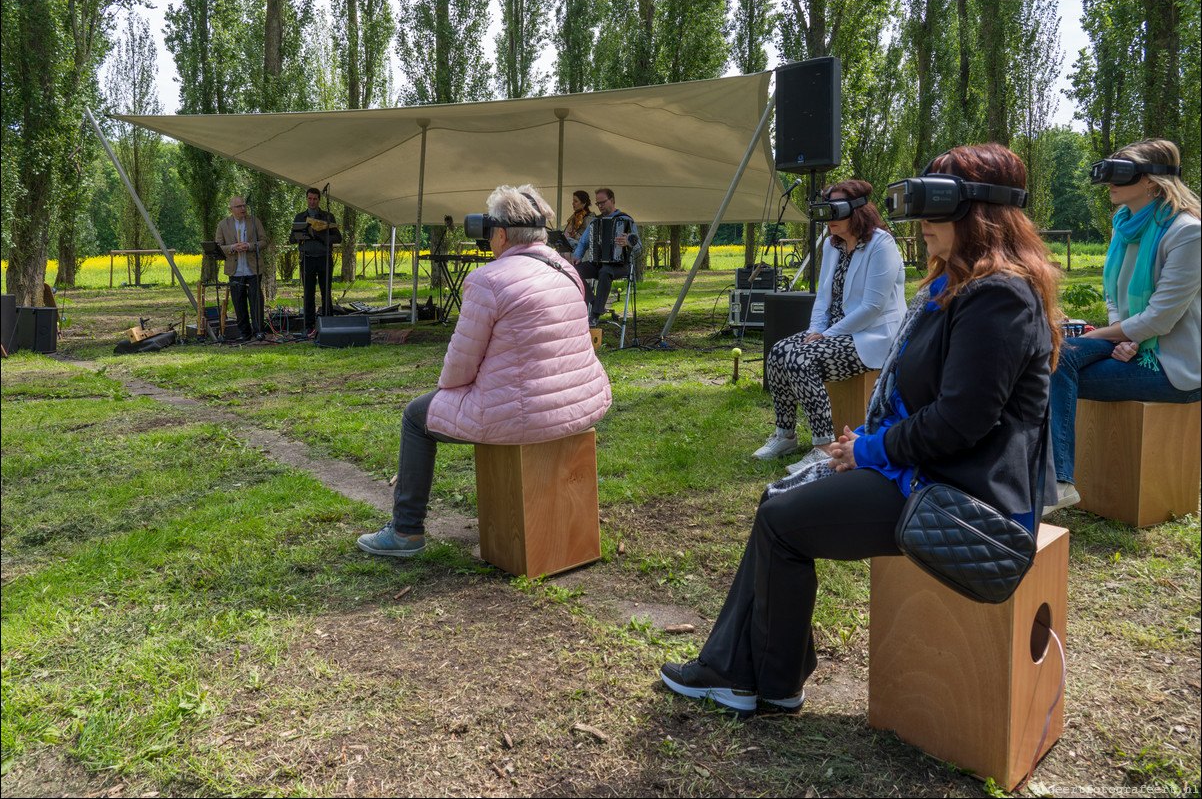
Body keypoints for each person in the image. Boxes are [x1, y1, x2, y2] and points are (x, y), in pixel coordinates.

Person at [659, 143, 1060, 717]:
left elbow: (961, 421)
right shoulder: (959, 286)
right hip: (928, 469)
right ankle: (753, 675)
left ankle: (756, 679)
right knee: (778, 498)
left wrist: (870, 449)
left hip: (958, 492)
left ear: (981, 213)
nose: (921, 220)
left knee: (780, 521)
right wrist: (868, 446)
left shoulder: (997, 294)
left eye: (936, 204)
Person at [357, 184, 612, 557]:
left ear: (502, 233)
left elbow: (459, 365)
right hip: (580, 403)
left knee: (416, 416)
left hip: (524, 416)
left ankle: (405, 531)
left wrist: (446, 393)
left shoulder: (487, 280)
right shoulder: (567, 270)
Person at [1044, 138, 1201, 515]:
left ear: (1151, 181)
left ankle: (1055, 482)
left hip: (1172, 365)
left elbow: (1160, 318)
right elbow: (1114, 294)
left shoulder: (1187, 233)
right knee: (1045, 355)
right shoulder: (1124, 225)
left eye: (1121, 173)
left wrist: (1104, 336)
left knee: (1051, 366)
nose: (1109, 183)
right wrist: (1122, 334)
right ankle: (1052, 480)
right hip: (1133, 342)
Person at [753, 180, 906, 470]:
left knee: (801, 359)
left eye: (835, 212)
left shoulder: (881, 245)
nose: (829, 221)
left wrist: (825, 335)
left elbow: (872, 308)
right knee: (777, 352)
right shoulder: (832, 244)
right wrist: (815, 330)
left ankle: (823, 447)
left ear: (857, 211)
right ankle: (785, 435)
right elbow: (824, 297)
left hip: (874, 335)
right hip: (835, 332)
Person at [571, 188, 642, 325]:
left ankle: (595, 315)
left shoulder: (626, 220)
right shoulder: (595, 221)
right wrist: (577, 256)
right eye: (598, 204)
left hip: (620, 266)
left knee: (606, 271)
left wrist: (629, 242)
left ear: (612, 200)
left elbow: (639, 247)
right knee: (572, 270)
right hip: (598, 264)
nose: (600, 206)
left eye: (602, 202)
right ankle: (593, 301)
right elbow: (583, 243)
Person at [215, 195, 268, 343]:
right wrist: (232, 247)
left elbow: (264, 241)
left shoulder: (254, 221)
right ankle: (245, 332)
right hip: (235, 270)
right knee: (239, 302)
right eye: (239, 207)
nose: (243, 209)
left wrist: (250, 246)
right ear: (231, 209)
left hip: (253, 269)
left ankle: (259, 331)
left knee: (256, 301)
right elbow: (218, 246)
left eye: (244, 206)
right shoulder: (223, 225)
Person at [292, 187, 341, 335]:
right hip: (307, 259)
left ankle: (328, 323)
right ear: (306, 199)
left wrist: (319, 235)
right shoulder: (300, 217)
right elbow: (292, 238)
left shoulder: (327, 216)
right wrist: (304, 234)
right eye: (310, 198)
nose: (312, 201)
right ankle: (308, 326)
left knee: (326, 292)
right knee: (308, 294)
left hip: (324, 258)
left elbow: (338, 238)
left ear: (319, 200)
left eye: (315, 199)